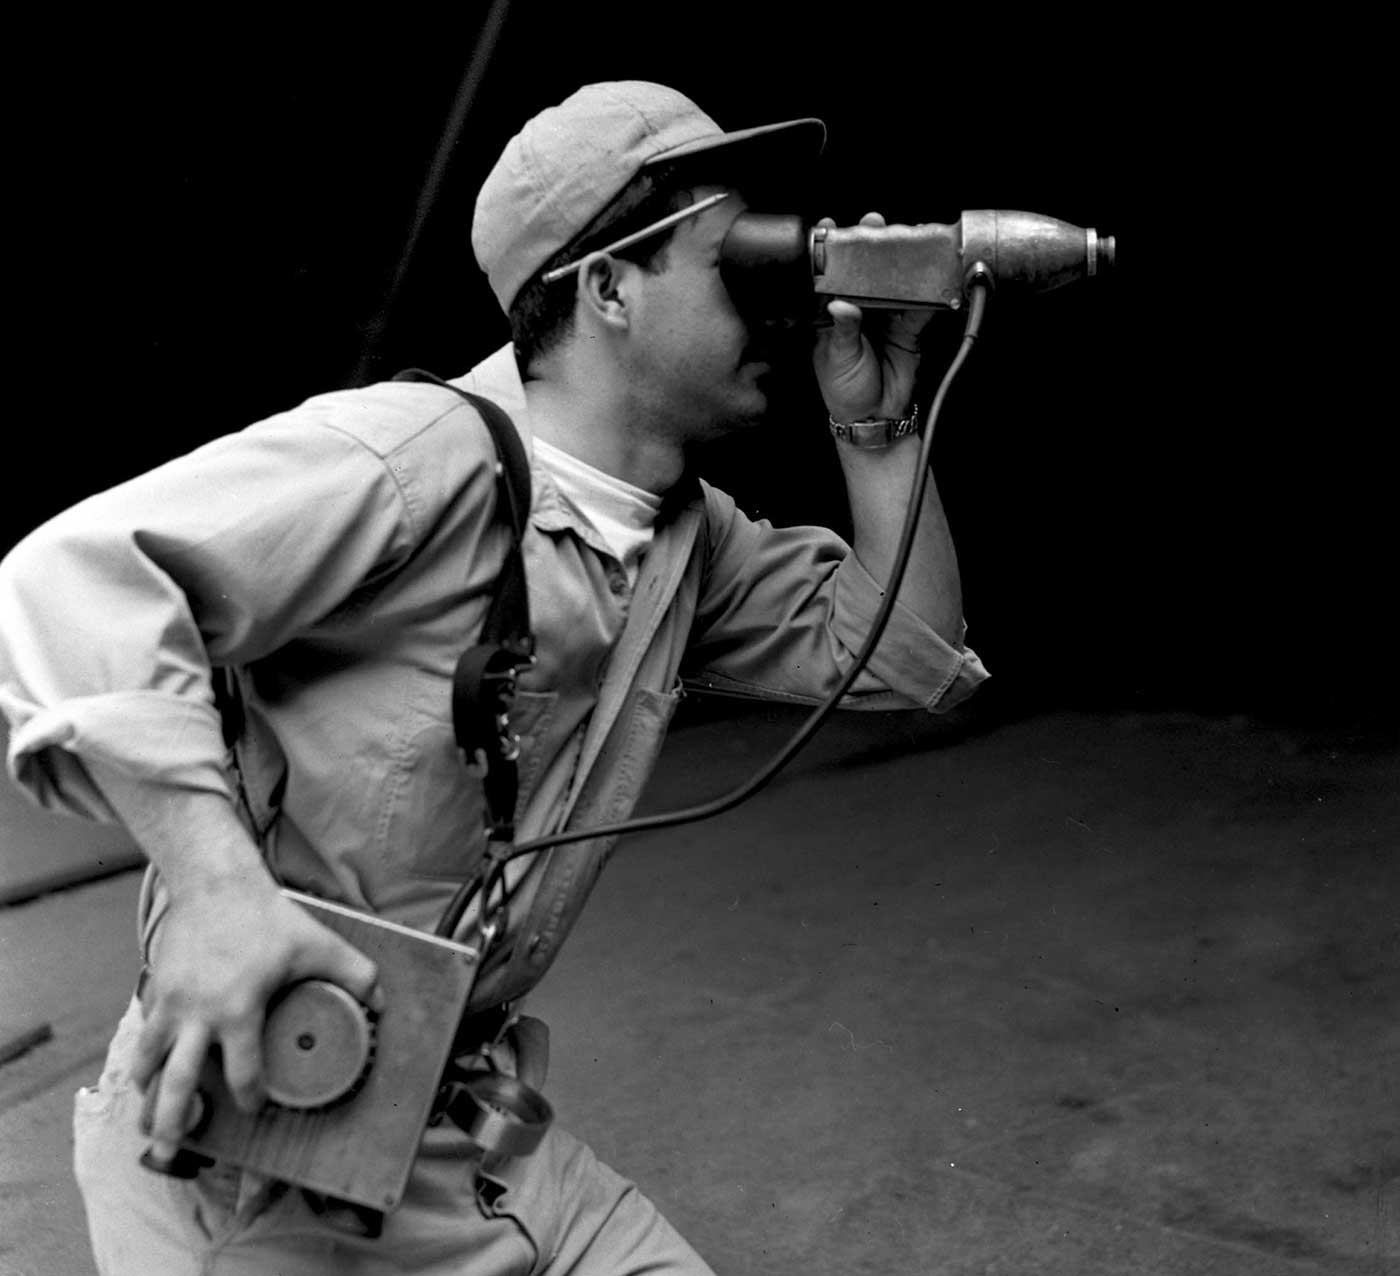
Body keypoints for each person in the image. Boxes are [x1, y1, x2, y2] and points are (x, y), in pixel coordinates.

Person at [0, 81, 987, 1274]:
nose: (778, 302)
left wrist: (876, 427)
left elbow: (900, 658)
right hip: (268, 1139)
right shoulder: (420, 460)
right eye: (737, 259)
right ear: (607, 289)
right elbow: (68, 579)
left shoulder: (684, 534)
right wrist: (215, 895)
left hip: (470, 1132)